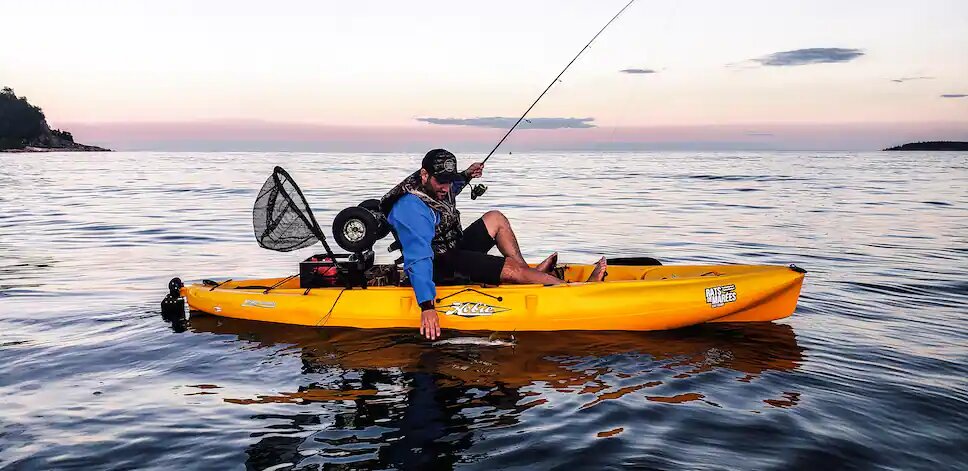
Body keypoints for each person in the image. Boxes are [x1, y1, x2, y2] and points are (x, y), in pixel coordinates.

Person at [380, 148, 607, 340]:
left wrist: (467, 175)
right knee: (509, 269)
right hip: (437, 263)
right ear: (424, 175)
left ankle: (528, 275)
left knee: (495, 218)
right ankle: (576, 291)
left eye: (449, 181)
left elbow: (454, 185)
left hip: (453, 247)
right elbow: (418, 257)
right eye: (441, 182)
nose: (446, 188)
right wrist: (427, 307)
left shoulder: (441, 185)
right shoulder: (410, 208)